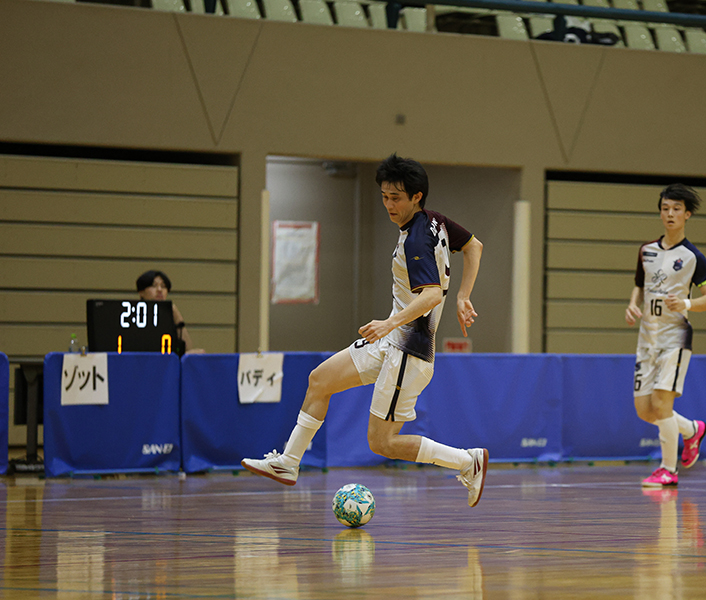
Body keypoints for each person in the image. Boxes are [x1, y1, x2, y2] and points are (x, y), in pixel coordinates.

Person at [242, 154, 489, 507]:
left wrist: (390, 322)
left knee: (382, 443)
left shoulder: (417, 239)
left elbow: (432, 294)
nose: (388, 204)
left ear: (417, 196)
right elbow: (474, 245)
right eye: (384, 196)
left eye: (396, 198)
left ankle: (467, 461)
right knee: (319, 380)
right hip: (391, 342)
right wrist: (463, 295)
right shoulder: (436, 221)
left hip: (408, 351)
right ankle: (288, 462)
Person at [624, 184, 706, 488]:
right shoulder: (647, 251)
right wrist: (632, 304)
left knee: (662, 404)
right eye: (665, 208)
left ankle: (668, 470)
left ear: (687, 214)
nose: (670, 214)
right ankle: (692, 430)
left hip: (674, 338)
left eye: (676, 209)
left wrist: (686, 304)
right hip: (647, 339)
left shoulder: (693, 256)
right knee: (645, 410)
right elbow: (640, 284)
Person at [136, 270, 203, 354]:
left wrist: (177, 316)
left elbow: (187, 348)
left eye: (163, 286)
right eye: (154, 286)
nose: (159, 290)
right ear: (141, 292)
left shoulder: (170, 313)